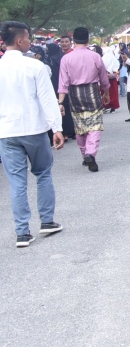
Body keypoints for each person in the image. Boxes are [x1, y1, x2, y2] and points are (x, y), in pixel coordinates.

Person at [0, 21, 64, 248]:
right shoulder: (35, 67)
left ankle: (22, 233)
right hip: (34, 130)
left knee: (17, 182)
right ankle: (47, 221)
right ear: (19, 40)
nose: (30, 42)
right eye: (28, 38)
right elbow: (47, 99)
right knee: (43, 174)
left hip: (6, 133)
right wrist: (56, 128)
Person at [57, 27, 109, 172]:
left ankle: (84, 154)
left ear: (73, 40)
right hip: (92, 92)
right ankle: (90, 153)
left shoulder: (66, 58)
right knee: (95, 125)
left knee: (80, 127)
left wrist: (60, 102)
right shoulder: (95, 56)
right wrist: (106, 92)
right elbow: (103, 79)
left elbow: (63, 83)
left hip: (75, 95)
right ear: (87, 40)